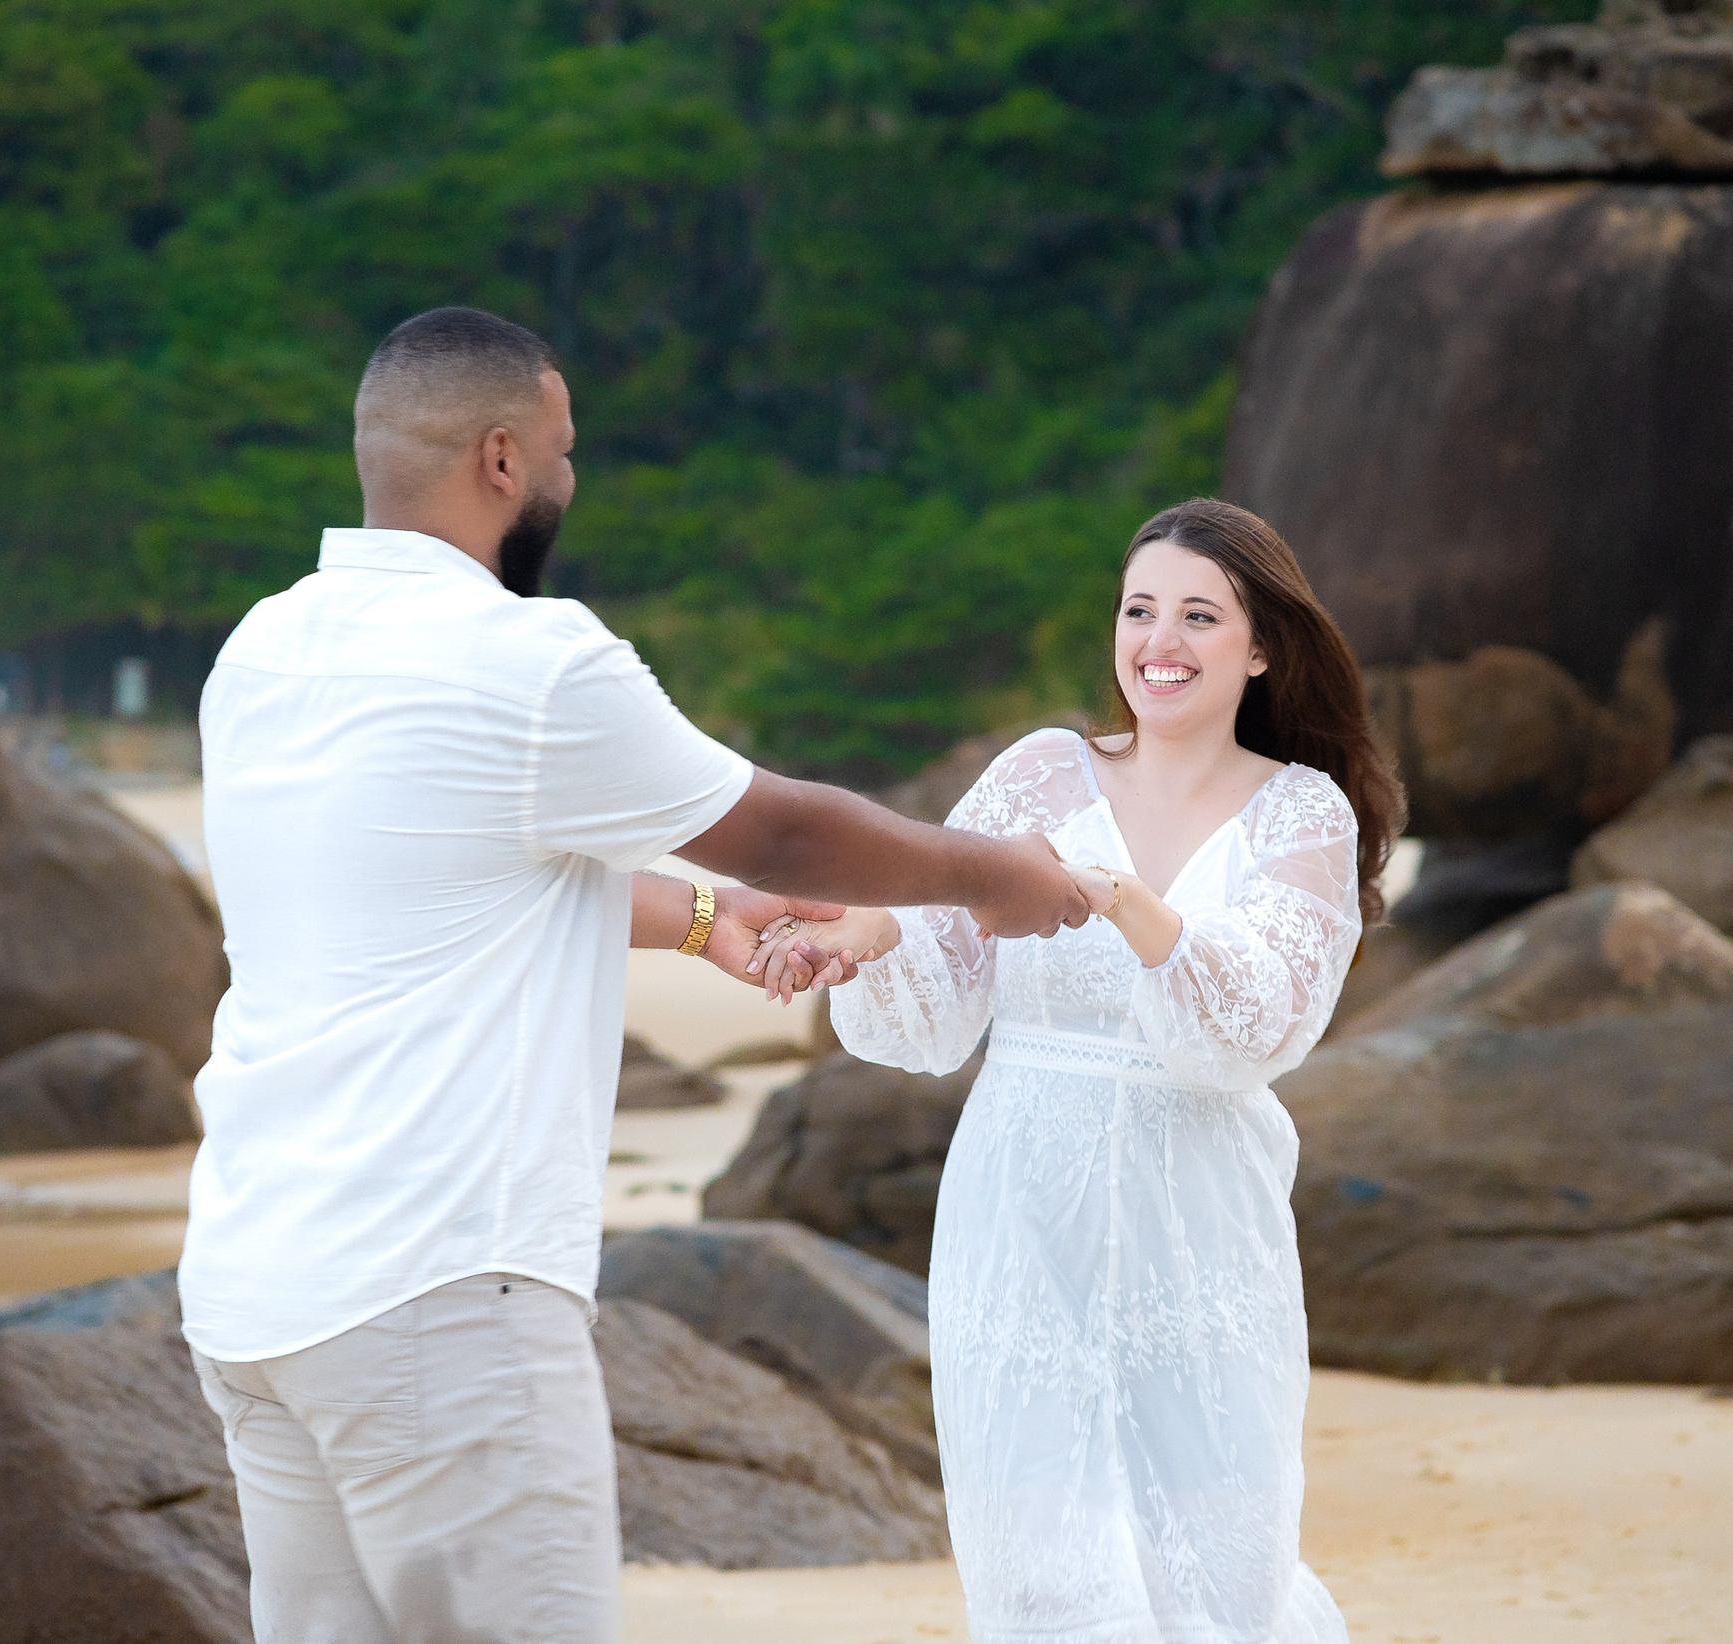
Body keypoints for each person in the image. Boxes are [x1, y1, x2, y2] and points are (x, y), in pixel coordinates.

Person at [178, 305, 1091, 1644]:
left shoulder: (262, 648)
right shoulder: (529, 662)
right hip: (440, 1289)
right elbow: (780, 829)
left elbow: (446, 878)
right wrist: (992, 875)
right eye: (563, 450)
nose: (568, 476)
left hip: (255, 1294)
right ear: (502, 458)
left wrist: (701, 919)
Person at [755, 498, 1403, 1644]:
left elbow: (1259, 1021)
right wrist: (865, 931)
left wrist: (1121, 902)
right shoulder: (1042, 774)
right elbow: (944, 954)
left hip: (1199, 1227)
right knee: (1041, 1569)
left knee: (1217, 1568)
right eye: (1138, 609)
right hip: (1020, 1212)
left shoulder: (1301, 811)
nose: (1160, 641)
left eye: (1199, 615)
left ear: (1260, 648)